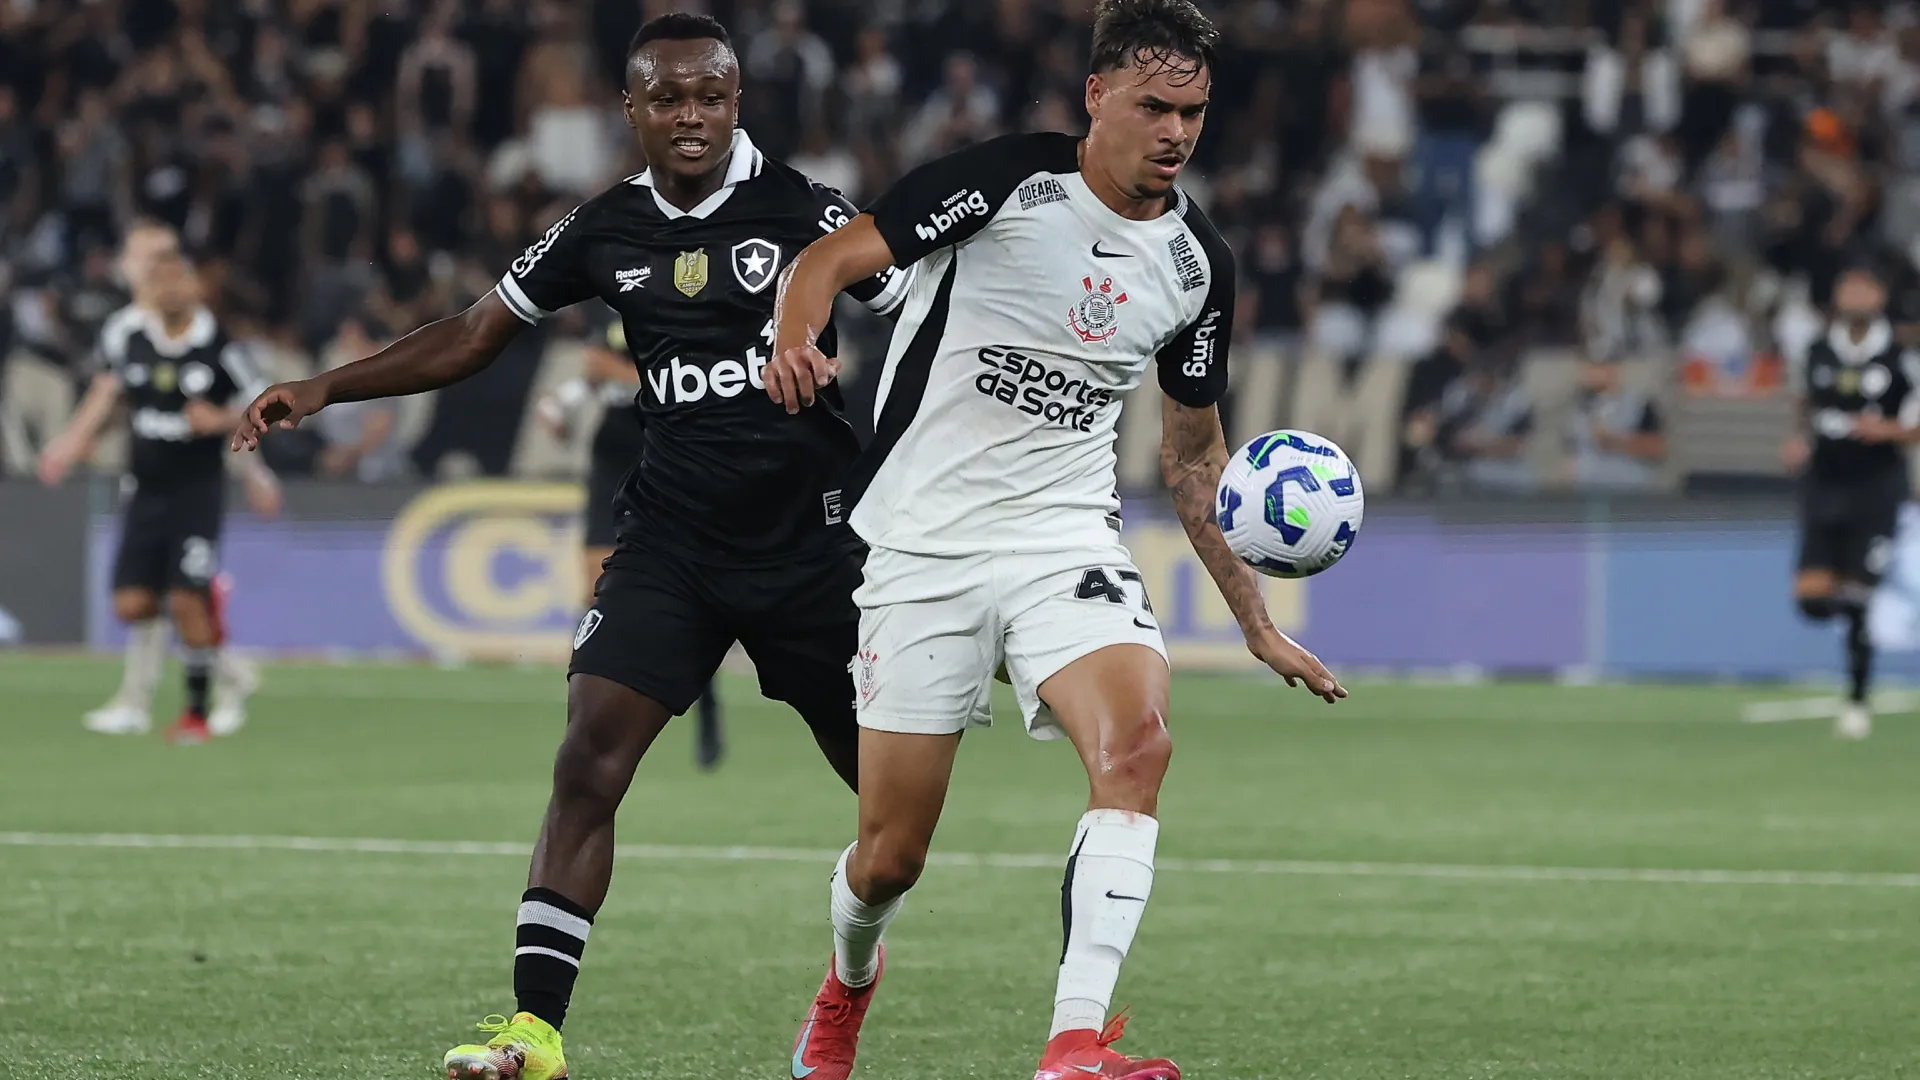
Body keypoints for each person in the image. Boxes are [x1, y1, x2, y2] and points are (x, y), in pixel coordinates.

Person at [229, 16, 907, 1080]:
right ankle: (534, 1030)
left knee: (893, 822)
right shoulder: (601, 227)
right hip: (671, 547)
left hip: (812, 554)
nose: (694, 117)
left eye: (714, 96)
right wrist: (325, 385)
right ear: (630, 111)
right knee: (588, 757)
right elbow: (471, 332)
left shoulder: (808, 211)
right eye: (670, 99)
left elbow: (924, 323)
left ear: (739, 101)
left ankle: (849, 982)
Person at [762, 2, 1343, 1078]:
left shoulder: (1196, 267)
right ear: (1098, 95)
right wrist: (797, 336)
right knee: (891, 857)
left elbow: (1192, 461)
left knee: (1139, 749)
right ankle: (847, 985)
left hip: (1060, 538)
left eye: (1195, 112)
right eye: (1155, 106)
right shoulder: (1004, 182)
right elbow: (832, 260)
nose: (1176, 132)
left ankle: (1075, 1043)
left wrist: (1255, 621)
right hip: (922, 545)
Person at [39, 250, 280, 744]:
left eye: (178, 281)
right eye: (160, 281)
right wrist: (86, 437)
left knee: (186, 598)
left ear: (195, 288)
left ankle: (197, 714)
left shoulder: (218, 345)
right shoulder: (131, 340)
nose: (170, 290)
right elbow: (120, 397)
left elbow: (267, 404)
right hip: (144, 489)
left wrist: (216, 421)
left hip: (198, 490)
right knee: (132, 603)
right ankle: (229, 665)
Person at [535, 309, 727, 770]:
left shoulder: (683, 311)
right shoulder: (614, 310)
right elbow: (595, 380)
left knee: (689, 597)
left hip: (662, 459)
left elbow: (685, 379)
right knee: (595, 591)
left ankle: (707, 714)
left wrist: (617, 370)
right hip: (610, 461)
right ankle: (591, 718)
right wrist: (562, 412)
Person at [1784, 267, 1920, 740]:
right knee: (1811, 600)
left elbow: (1916, 423)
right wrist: (1799, 440)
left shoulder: (1901, 357)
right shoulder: (1818, 351)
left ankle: (1857, 700)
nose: (1855, 296)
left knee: (1859, 596)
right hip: (1823, 484)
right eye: (1848, 287)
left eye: (1865, 287)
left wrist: (1892, 432)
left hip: (1876, 487)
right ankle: (1857, 603)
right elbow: (1806, 405)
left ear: (1879, 295)